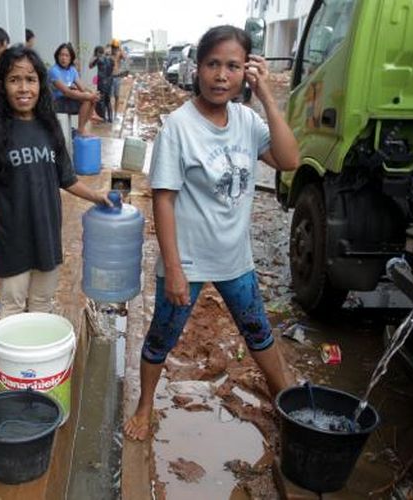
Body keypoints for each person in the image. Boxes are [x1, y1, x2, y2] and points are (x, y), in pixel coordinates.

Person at [123, 25, 299, 441]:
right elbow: (162, 199)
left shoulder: (246, 120)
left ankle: (288, 403)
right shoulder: (178, 128)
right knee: (161, 337)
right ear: (198, 69)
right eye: (213, 64)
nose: (222, 75)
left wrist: (269, 98)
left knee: (258, 332)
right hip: (187, 260)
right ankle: (145, 406)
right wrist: (174, 270)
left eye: (233, 66)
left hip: (235, 260)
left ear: (247, 72)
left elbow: (289, 160)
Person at [0, 44, 112, 317]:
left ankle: (37, 360)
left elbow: (67, 178)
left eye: (30, 80)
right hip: (11, 238)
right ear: (2, 85)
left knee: (42, 305)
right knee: (12, 306)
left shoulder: (50, 128)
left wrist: (97, 196)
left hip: (47, 235)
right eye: (14, 80)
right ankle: (12, 360)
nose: (23, 88)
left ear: (40, 84)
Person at [48, 42, 101, 136]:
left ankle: (86, 122)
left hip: (67, 100)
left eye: (66, 55)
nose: (63, 58)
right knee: (87, 98)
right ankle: (81, 130)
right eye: (61, 55)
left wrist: (92, 94)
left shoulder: (72, 70)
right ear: (57, 56)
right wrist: (88, 96)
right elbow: (66, 92)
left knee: (90, 96)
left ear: (71, 58)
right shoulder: (54, 71)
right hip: (55, 102)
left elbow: (82, 88)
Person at [89, 45, 114, 122]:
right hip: (109, 82)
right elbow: (111, 70)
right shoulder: (111, 59)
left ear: (97, 52)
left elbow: (90, 66)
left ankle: (103, 118)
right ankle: (110, 118)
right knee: (108, 100)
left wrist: (93, 56)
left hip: (102, 82)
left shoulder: (98, 59)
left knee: (101, 100)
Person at [109, 39, 128, 114]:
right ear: (112, 47)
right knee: (110, 97)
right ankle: (110, 113)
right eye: (114, 47)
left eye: (116, 48)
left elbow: (125, 57)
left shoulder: (119, 54)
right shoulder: (109, 54)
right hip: (109, 77)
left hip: (117, 77)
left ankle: (116, 113)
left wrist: (120, 48)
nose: (115, 49)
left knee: (117, 96)